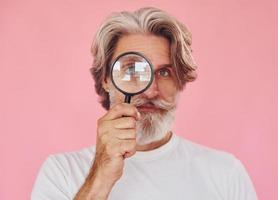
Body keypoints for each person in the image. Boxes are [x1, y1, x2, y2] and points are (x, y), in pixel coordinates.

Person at [31, 7, 257, 200]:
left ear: (181, 81)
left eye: (166, 72)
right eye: (131, 69)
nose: (150, 90)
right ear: (107, 80)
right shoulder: (60, 172)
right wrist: (100, 178)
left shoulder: (226, 173)